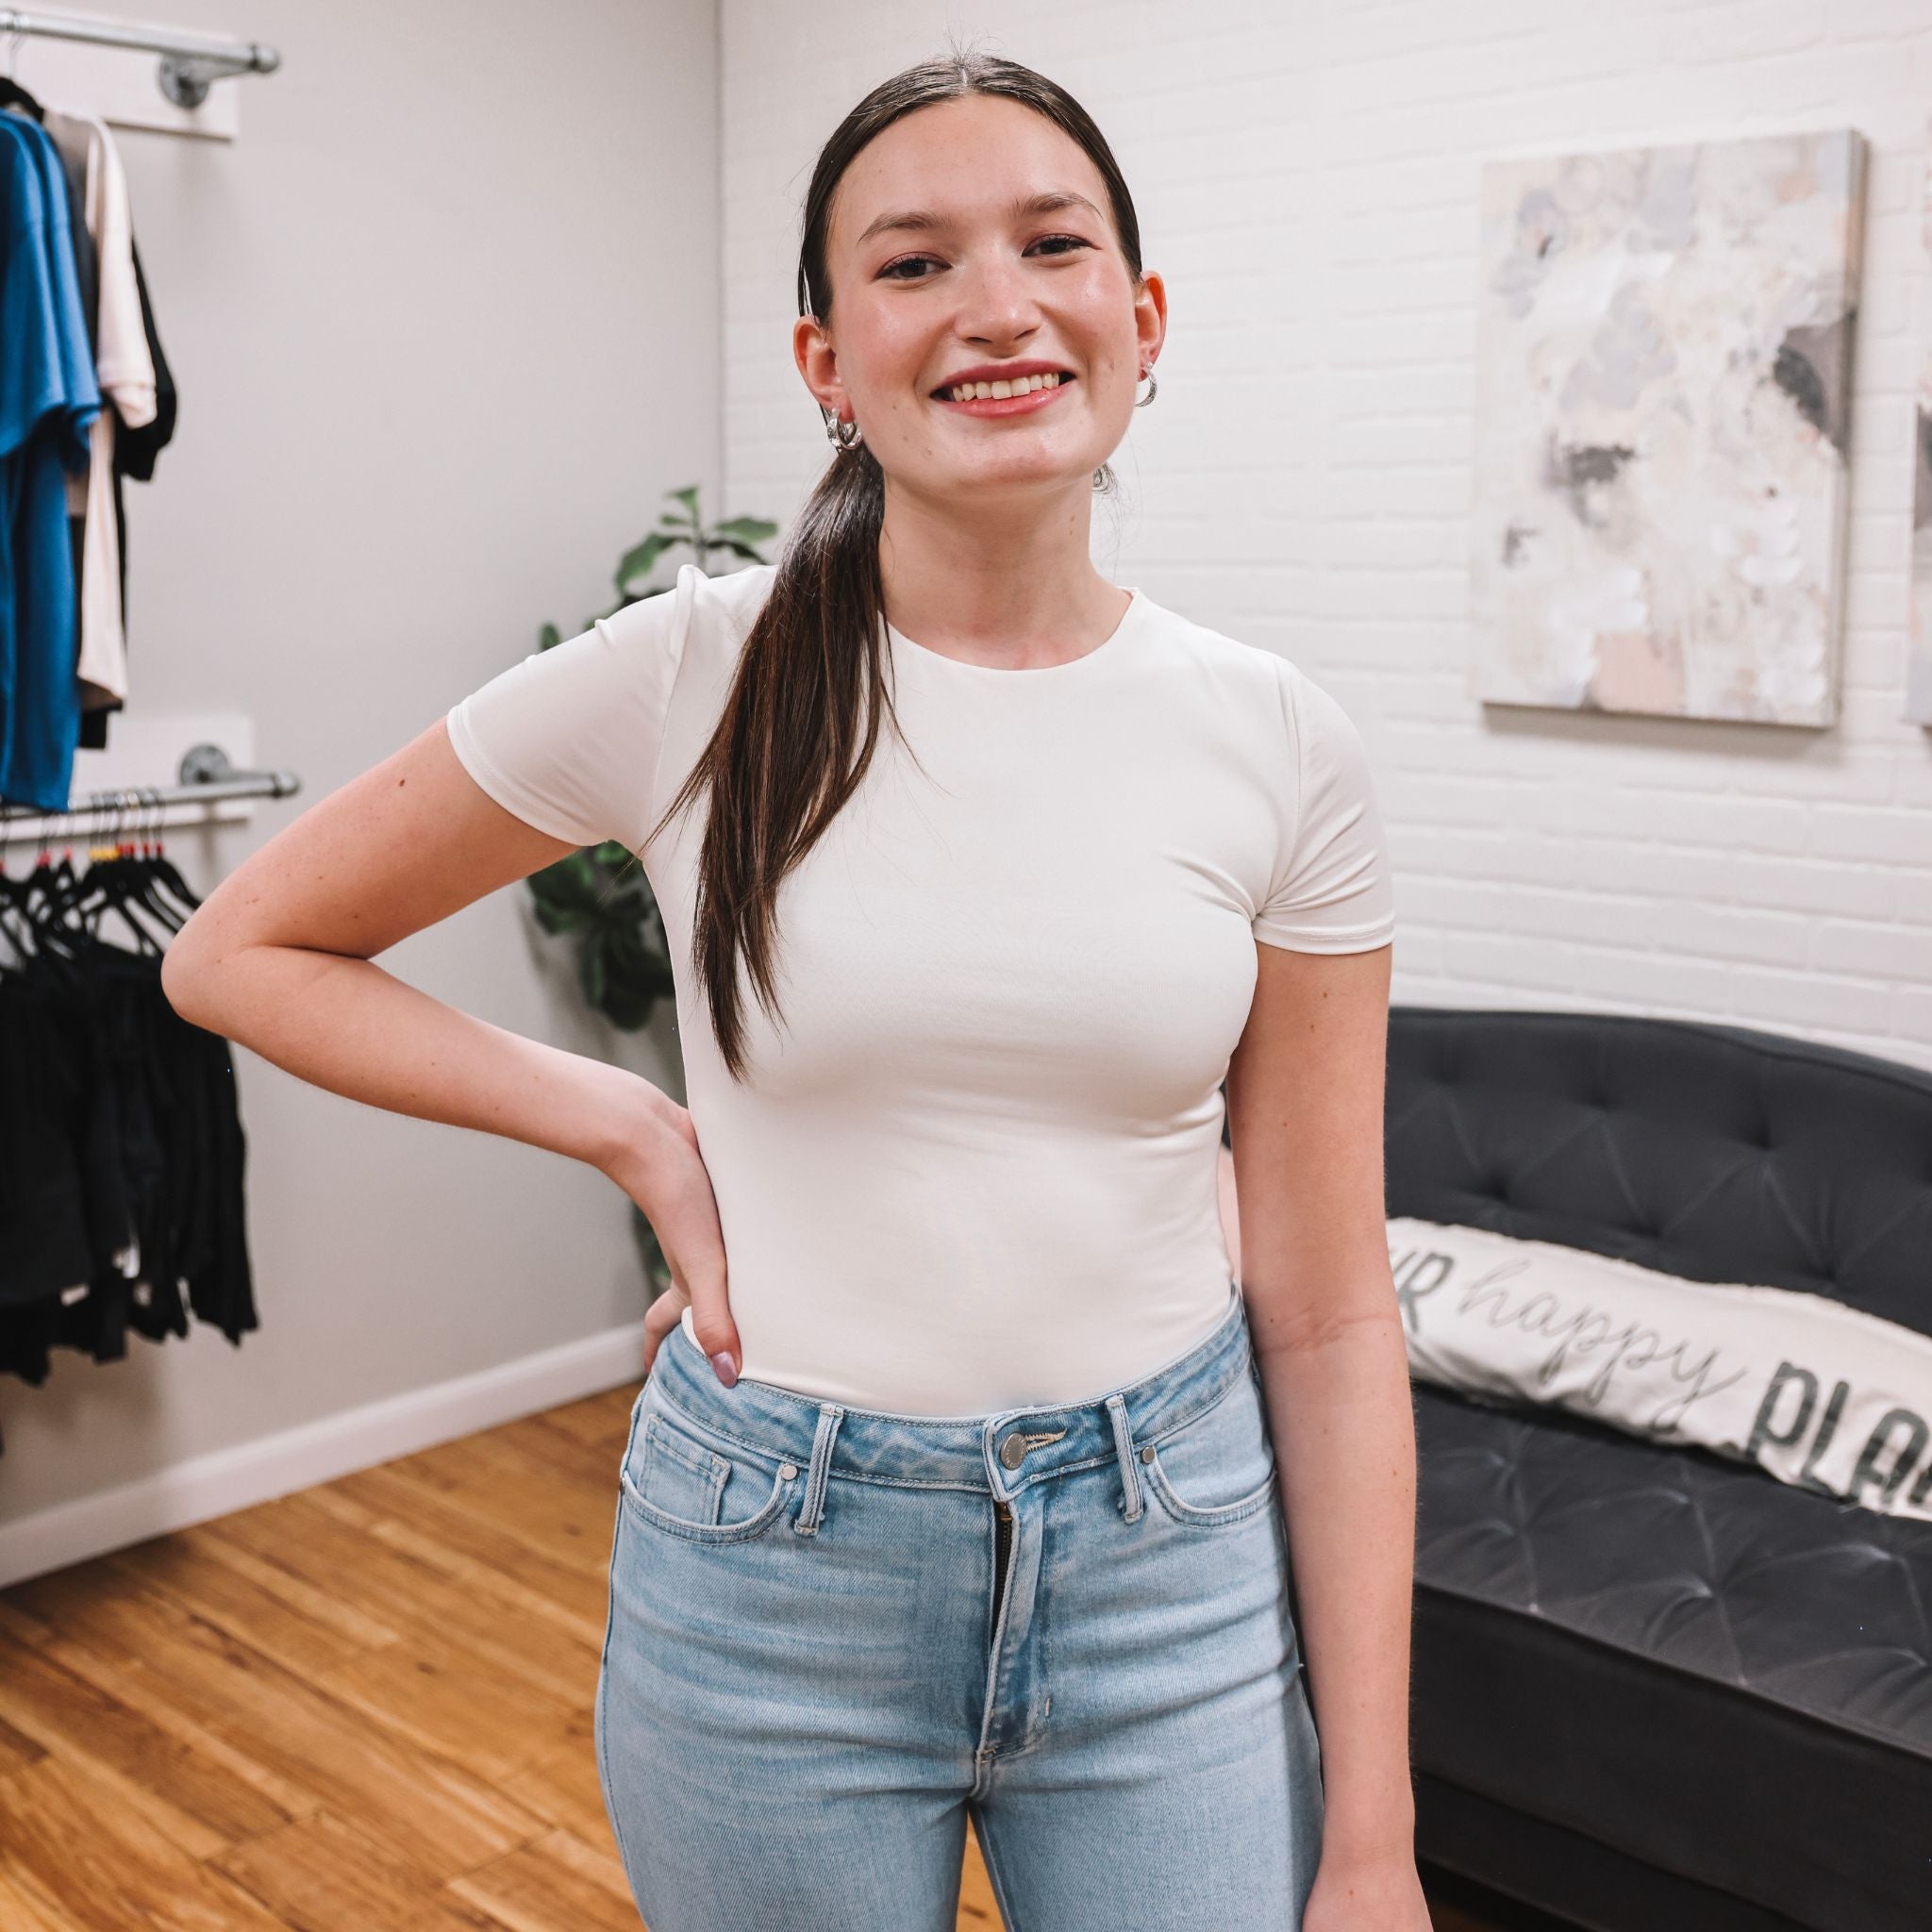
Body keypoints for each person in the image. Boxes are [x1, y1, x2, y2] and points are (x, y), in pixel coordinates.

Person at [161, 47, 1428, 1932]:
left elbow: (1323, 1314)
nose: (995, 306)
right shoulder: (694, 673)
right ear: (823, 362)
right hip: (776, 1574)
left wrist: (1375, 1840)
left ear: (1139, 318)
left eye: (1050, 245)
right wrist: (629, 1125)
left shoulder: (1276, 742)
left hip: (1167, 1558)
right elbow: (237, 951)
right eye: (912, 266)